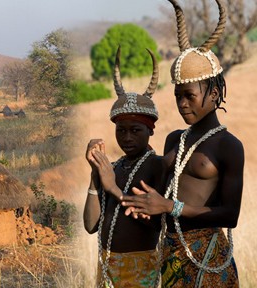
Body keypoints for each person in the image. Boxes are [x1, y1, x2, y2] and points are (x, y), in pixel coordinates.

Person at [121, 0, 242, 286]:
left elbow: (231, 215)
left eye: (189, 95)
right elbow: (159, 199)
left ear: (214, 94)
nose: (182, 104)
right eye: (177, 96)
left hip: (209, 258)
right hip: (171, 253)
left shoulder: (228, 146)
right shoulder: (174, 139)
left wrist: (169, 206)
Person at [84, 46, 165, 287]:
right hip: (108, 266)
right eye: (121, 131)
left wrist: (113, 189)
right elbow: (90, 226)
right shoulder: (115, 167)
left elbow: (155, 222)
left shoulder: (157, 166)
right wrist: (95, 173)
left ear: (151, 130)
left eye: (135, 130)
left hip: (141, 268)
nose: (127, 138)